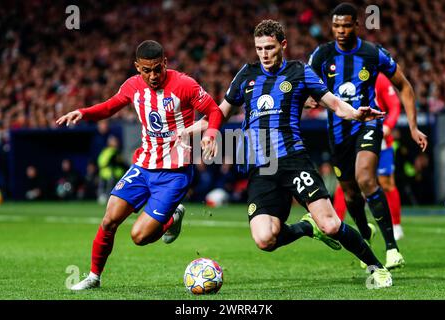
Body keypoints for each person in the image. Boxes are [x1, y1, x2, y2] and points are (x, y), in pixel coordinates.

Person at [189, 19, 393, 288]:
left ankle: (376, 267)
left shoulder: (300, 71)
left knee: (331, 224)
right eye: (259, 48)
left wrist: (356, 113)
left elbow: (334, 103)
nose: (264, 54)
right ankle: (308, 228)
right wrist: (185, 132)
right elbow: (219, 113)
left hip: (294, 160)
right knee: (265, 239)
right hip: (262, 167)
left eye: (270, 47)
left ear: (282, 45)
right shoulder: (247, 74)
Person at [56, 40, 223, 290]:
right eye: (147, 70)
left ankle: (172, 217)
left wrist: (209, 135)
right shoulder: (132, 86)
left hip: (174, 173)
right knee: (109, 220)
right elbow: (109, 107)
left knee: (139, 237)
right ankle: (93, 277)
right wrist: (83, 112)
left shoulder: (185, 85)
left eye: (158, 68)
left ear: (165, 63)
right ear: (137, 67)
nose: (153, 75)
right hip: (143, 167)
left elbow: (214, 111)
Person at [307, 3, 427, 269]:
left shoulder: (372, 53)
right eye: (336, 25)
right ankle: (365, 232)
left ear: (356, 25)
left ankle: (392, 248)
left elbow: (404, 87)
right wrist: (308, 102)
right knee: (350, 194)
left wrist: (413, 126)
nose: (341, 30)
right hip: (338, 134)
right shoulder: (321, 55)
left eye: (346, 25)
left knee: (366, 178)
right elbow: (304, 91)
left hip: (368, 125)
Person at [333, 73, 405, 240]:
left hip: (378, 136)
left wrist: (388, 126)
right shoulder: (340, 75)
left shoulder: (378, 77)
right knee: (346, 183)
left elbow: (394, 105)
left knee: (386, 182)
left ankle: (395, 225)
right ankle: (337, 223)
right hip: (350, 137)